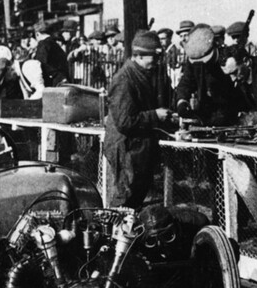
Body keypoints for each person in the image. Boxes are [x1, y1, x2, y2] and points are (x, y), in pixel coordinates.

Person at [104, 31, 173, 209]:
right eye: (153, 57)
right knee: (123, 201)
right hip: (125, 150)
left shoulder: (144, 74)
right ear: (138, 55)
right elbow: (125, 121)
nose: (157, 62)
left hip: (138, 149)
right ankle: (114, 235)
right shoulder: (124, 79)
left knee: (135, 201)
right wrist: (155, 115)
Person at [174, 24, 245, 126]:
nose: (202, 64)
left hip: (229, 112)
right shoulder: (194, 58)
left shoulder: (227, 57)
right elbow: (186, 83)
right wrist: (182, 101)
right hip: (205, 112)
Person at [33, 19, 69, 86]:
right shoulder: (54, 44)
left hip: (52, 82)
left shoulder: (43, 44)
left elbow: (40, 64)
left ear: (37, 34)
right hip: (62, 80)